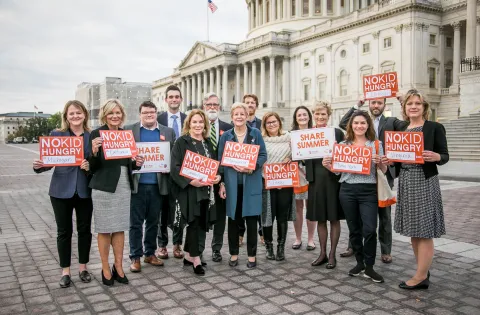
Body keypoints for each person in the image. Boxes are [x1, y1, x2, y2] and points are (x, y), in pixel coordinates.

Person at [339, 96, 408, 262]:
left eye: (379, 103)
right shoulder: (359, 121)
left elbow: (408, 126)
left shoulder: (391, 121)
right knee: (356, 216)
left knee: (383, 216)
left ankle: (385, 250)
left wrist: (403, 101)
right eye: (373, 102)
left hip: (380, 174)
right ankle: (353, 247)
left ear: (384, 105)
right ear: (369, 104)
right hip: (355, 177)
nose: (376, 105)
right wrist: (358, 103)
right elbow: (344, 123)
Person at [323, 110, 388, 283]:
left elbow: (384, 170)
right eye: (356, 123)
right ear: (351, 125)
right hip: (347, 190)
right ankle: (360, 262)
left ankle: (370, 266)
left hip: (368, 191)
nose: (359, 126)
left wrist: (380, 162)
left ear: (368, 125)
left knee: (370, 229)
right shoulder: (343, 145)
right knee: (354, 229)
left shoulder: (375, 144)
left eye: (363, 123)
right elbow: (338, 172)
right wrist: (327, 165)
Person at [33, 100, 93, 288]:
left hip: (85, 190)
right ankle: (65, 271)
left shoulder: (93, 136)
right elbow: (50, 161)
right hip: (60, 190)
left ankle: (83, 268)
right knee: (63, 232)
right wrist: (40, 166)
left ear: (84, 114)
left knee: (84, 231)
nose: (75, 116)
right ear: (66, 116)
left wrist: (89, 167)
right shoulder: (57, 135)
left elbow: (98, 164)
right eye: (71, 113)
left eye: (78, 113)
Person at [395, 91, 448, 290]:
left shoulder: (434, 127)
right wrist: (389, 161)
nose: (414, 106)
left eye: (418, 103)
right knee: (413, 229)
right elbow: (398, 157)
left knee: (424, 230)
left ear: (424, 107)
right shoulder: (401, 129)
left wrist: (437, 157)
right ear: (405, 107)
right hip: (407, 180)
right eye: (410, 103)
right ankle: (422, 270)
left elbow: (445, 155)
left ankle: (420, 276)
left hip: (424, 180)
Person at [88, 99, 144, 286]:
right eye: (111, 113)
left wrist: (137, 162)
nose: (115, 116)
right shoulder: (96, 134)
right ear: (105, 114)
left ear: (122, 115)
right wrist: (94, 151)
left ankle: (118, 267)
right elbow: (91, 167)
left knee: (119, 227)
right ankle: (105, 269)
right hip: (103, 186)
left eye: (118, 112)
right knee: (104, 228)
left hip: (123, 185)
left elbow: (129, 163)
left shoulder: (126, 134)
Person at [125, 101, 176, 272]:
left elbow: (173, 157)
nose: (149, 115)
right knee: (136, 223)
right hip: (137, 185)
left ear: (156, 113)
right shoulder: (129, 130)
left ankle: (150, 253)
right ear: (140, 114)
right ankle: (135, 256)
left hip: (158, 185)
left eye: (152, 112)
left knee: (154, 222)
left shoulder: (167, 132)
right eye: (146, 112)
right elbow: (123, 156)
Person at [170, 109, 220, 275]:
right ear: (189, 124)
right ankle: (196, 258)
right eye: (195, 122)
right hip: (190, 190)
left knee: (202, 222)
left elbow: (215, 166)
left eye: (200, 122)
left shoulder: (208, 143)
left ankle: (191, 255)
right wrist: (191, 181)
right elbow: (175, 167)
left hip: (206, 190)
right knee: (194, 221)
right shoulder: (181, 142)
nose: (198, 125)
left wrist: (217, 177)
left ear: (205, 125)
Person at [218, 102, 267, 268]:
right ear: (232, 117)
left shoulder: (255, 134)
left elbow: (263, 155)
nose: (239, 117)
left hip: (251, 184)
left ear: (247, 116)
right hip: (232, 186)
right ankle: (233, 254)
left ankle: (252, 256)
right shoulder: (225, 136)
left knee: (252, 221)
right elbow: (221, 162)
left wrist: (252, 166)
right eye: (236, 114)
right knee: (233, 221)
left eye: (242, 114)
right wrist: (222, 183)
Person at [305, 102, 345, 268]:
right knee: (320, 218)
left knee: (334, 218)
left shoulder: (336, 133)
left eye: (323, 114)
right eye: (317, 114)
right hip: (315, 180)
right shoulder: (306, 134)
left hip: (332, 179)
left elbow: (345, 156)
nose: (320, 117)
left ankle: (332, 254)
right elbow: (302, 158)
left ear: (328, 116)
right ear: (313, 115)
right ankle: (322, 252)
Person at [156, 85, 187, 260]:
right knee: (162, 209)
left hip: (182, 173)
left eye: (177, 97)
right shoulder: (158, 119)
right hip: (162, 172)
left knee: (179, 210)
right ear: (166, 99)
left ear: (181, 99)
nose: (174, 99)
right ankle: (162, 245)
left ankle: (177, 244)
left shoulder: (188, 119)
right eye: (171, 97)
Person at [202, 92, 233, 263]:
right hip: (202, 179)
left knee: (220, 216)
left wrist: (221, 177)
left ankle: (216, 248)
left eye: (215, 105)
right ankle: (198, 248)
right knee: (201, 215)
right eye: (209, 105)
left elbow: (230, 154)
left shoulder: (228, 128)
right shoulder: (198, 126)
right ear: (204, 107)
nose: (212, 108)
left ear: (219, 107)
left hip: (221, 179)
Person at [261, 112, 294, 261]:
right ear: (264, 125)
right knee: (267, 216)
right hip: (266, 182)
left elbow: (300, 153)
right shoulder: (261, 140)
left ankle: (281, 247)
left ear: (279, 123)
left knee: (282, 216)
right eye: (268, 123)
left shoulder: (289, 138)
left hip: (285, 183)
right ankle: (269, 246)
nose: (272, 124)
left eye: (274, 121)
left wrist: (292, 157)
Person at [290, 106, 317, 250]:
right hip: (297, 172)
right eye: (299, 115)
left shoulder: (316, 133)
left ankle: (311, 239)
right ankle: (298, 238)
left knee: (311, 206)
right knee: (298, 207)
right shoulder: (291, 135)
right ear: (295, 118)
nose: (302, 117)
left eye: (304, 114)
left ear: (309, 117)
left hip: (313, 172)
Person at [239, 93, 264, 245]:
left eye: (252, 103)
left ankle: (261, 232)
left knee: (257, 202)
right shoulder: (235, 124)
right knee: (241, 202)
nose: (250, 105)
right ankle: (240, 233)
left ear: (256, 106)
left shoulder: (261, 124)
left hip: (257, 170)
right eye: (247, 102)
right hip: (239, 171)